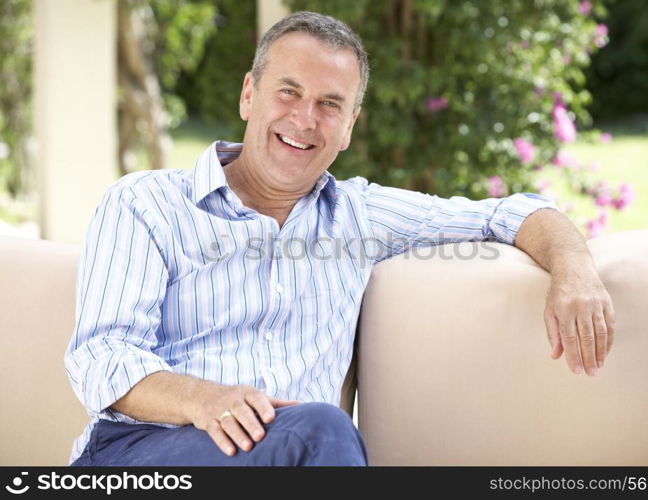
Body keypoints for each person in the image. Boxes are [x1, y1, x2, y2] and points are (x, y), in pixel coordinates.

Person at [65, 11, 615, 467]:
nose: (305, 119)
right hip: (141, 453)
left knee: (314, 433)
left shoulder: (360, 215)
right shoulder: (146, 203)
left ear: (349, 125)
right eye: (289, 92)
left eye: (330, 104)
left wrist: (575, 271)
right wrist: (205, 400)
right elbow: (100, 356)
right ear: (249, 96)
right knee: (321, 430)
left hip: (292, 456)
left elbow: (511, 213)